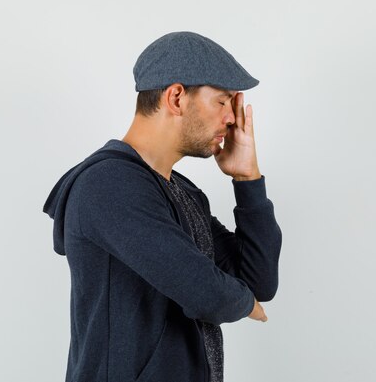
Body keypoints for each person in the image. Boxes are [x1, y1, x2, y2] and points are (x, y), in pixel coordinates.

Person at [42, 31, 282, 382]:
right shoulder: (108, 184)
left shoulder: (179, 191)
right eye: (222, 101)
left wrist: (248, 180)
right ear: (176, 97)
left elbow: (258, 280)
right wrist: (245, 305)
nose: (233, 118)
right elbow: (204, 291)